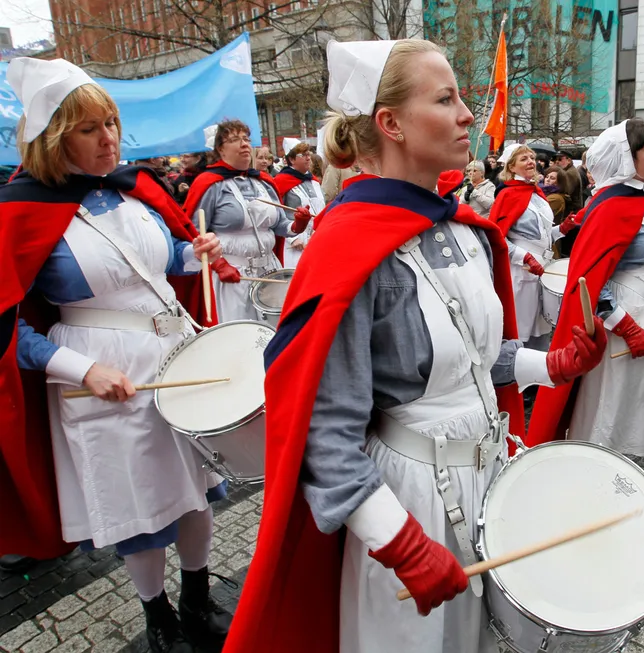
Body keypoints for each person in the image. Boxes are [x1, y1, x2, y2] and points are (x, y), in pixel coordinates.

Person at [222, 38, 607, 653]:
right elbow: (323, 429)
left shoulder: (468, 231)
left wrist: (555, 363)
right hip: (407, 499)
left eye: (462, 99)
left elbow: (480, 361)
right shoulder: (347, 246)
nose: (466, 115)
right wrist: (397, 541)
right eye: (446, 99)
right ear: (391, 123)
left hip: (489, 475)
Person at [1, 57, 231, 653]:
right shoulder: (20, 210)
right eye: (89, 129)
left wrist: (193, 252)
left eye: (111, 122)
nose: (109, 138)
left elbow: (159, 267)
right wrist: (81, 370)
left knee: (197, 490)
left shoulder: (135, 188)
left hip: (174, 354)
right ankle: (158, 620)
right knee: (141, 509)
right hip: (100, 370)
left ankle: (198, 598)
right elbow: (6, 329)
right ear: (55, 139)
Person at [527, 119, 644, 454]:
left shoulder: (643, 199)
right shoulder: (612, 206)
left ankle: (620, 470)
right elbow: (588, 284)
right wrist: (626, 327)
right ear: (628, 157)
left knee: (635, 405)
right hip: (622, 325)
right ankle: (595, 470)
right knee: (611, 405)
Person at [183, 120, 312, 322]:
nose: (244, 144)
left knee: (274, 332)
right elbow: (194, 233)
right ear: (220, 149)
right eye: (235, 139)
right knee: (240, 336)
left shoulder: (263, 181)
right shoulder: (209, 184)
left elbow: (280, 226)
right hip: (233, 275)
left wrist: (298, 225)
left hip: (270, 271)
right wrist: (219, 265)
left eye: (246, 139)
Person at [491, 144, 575, 344]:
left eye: (532, 157)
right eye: (524, 159)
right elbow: (496, 237)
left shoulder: (537, 193)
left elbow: (541, 236)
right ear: (511, 167)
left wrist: (562, 229)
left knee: (542, 327)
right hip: (521, 271)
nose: (531, 161)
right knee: (520, 331)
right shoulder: (507, 194)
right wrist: (525, 257)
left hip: (543, 268)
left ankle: (540, 372)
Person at [273, 138, 325, 268]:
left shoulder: (314, 181)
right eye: (304, 155)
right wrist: (293, 239)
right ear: (291, 159)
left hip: (317, 238)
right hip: (295, 242)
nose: (308, 158)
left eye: (309, 154)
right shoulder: (281, 181)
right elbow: (277, 214)